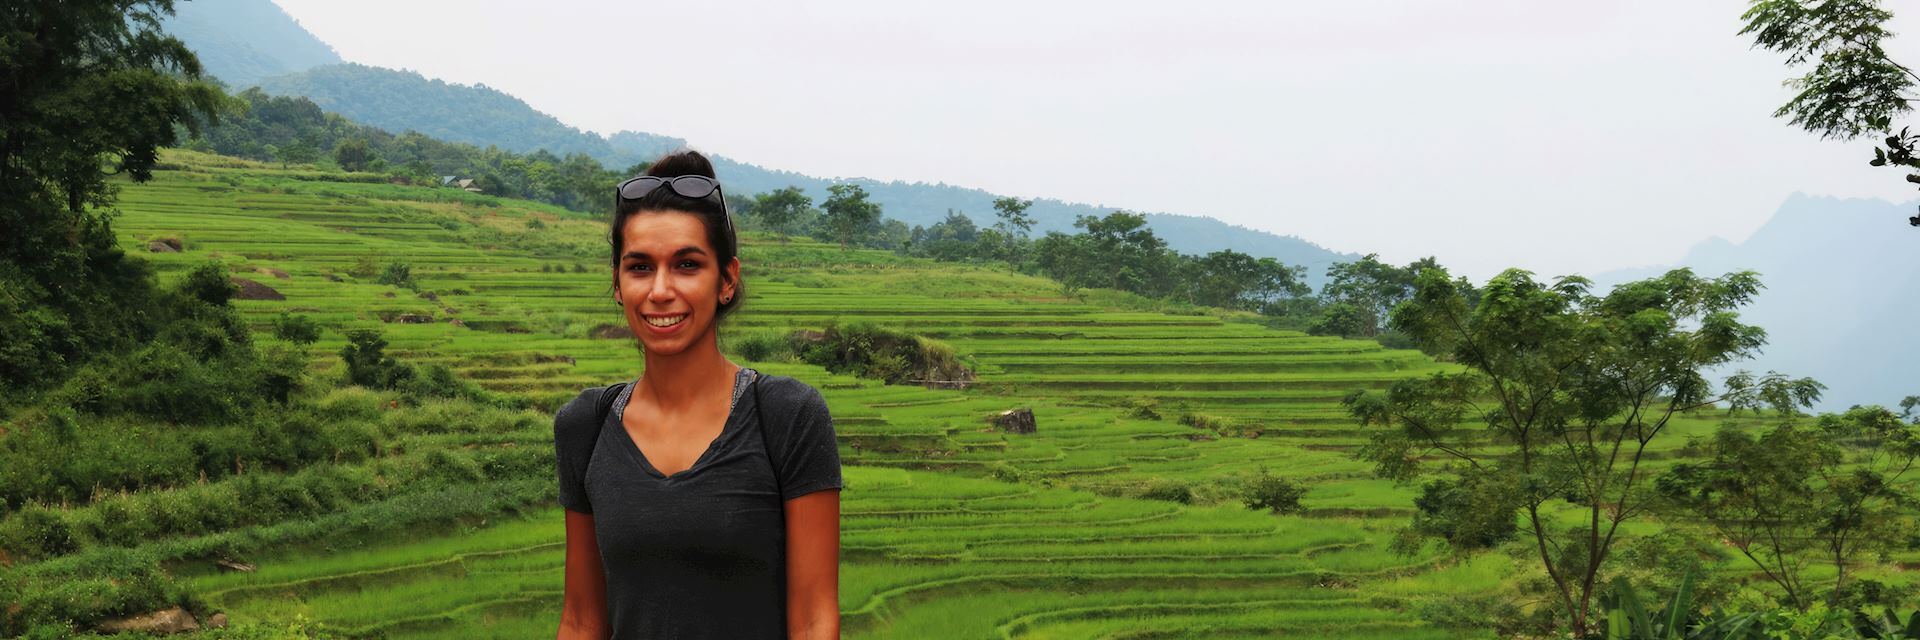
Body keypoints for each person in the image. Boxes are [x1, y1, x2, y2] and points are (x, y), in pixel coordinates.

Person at [553, 150, 843, 639]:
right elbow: (582, 620)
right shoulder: (586, 425)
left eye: (687, 265)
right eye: (640, 267)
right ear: (618, 284)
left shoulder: (787, 417)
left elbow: (815, 619)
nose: (661, 290)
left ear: (726, 279)